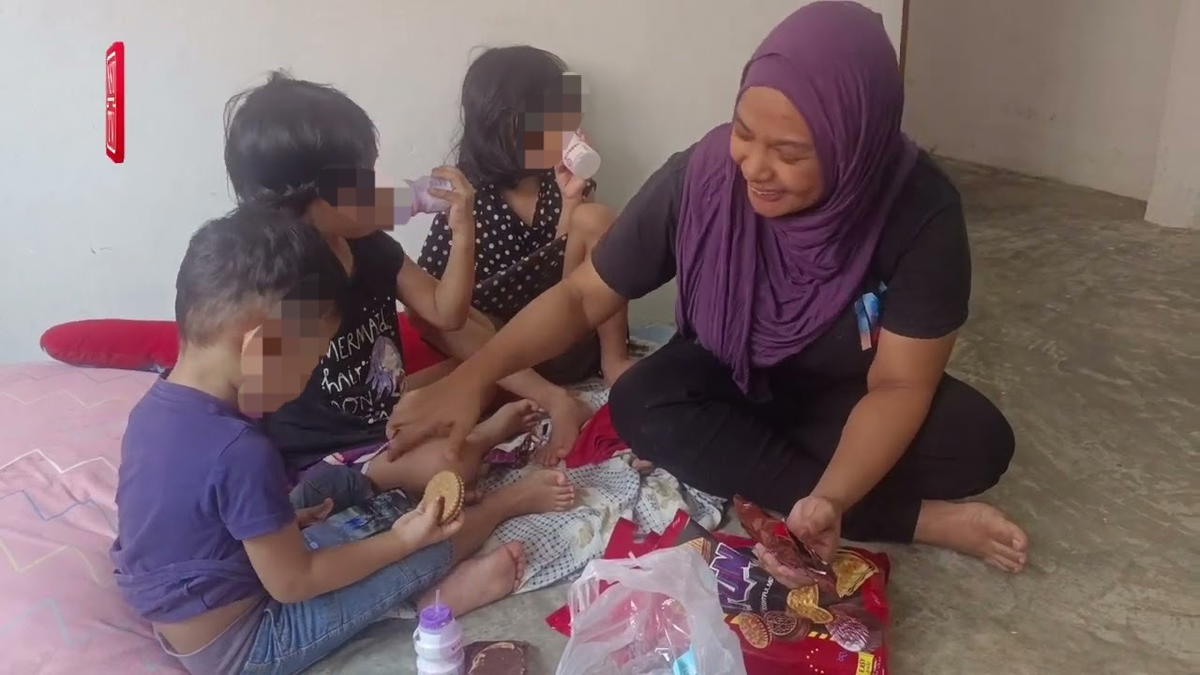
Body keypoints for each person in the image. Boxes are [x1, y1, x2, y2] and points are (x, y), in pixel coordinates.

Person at [386, 2, 1030, 575]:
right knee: (642, 398)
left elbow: (898, 386)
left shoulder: (920, 211)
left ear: (856, 141)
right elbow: (586, 295)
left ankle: (773, 475)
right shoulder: (704, 175)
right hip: (730, 369)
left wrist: (830, 496)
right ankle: (912, 519)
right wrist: (471, 379)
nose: (754, 166)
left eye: (791, 151)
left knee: (975, 444)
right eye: (745, 133)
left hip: (847, 391)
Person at [111, 206, 568, 675]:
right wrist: (402, 541)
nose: (308, 378)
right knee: (419, 547)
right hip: (247, 643)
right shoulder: (240, 449)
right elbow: (294, 583)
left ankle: (395, 524)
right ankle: (497, 517)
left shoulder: (154, 407)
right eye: (308, 363)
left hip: (202, 598)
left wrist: (286, 520)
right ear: (261, 344)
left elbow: (191, 516)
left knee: (331, 484)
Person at [222, 71, 591, 494]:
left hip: (386, 410)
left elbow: (447, 313)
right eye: (362, 178)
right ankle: (484, 439)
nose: (377, 187)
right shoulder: (273, 280)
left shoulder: (369, 245)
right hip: (332, 450)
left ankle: (521, 413)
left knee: (480, 363)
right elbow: (241, 385)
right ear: (311, 198)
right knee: (444, 466)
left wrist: (463, 231)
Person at [418, 46, 635, 392]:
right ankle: (527, 393)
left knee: (594, 217)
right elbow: (434, 308)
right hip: (500, 354)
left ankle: (614, 362)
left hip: (565, 332)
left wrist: (571, 200)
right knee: (436, 336)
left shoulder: (559, 181)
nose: (561, 126)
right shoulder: (463, 194)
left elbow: (573, 278)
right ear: (498, 124)